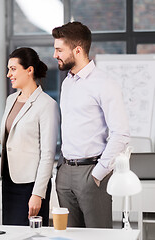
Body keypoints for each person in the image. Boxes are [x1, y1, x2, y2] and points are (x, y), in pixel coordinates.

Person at [0, 47, 59, 226]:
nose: (8, 74)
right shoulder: (11, 100)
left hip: (30, 185)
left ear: (29, 70)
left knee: (31, 235)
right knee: (11, 232)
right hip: (9, 180)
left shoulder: (47, 105)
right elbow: (10, 141)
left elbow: (48, 155)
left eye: (13, 69)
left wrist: (37, 194)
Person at [52, 21, 130, 228]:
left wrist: (98, 174)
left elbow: (120, 134)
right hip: (65, 171)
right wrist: (60, 171)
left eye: (59, 50)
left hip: (92, 172)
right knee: (69, 235)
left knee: (98, 235)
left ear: (77, 50)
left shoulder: (105, 84)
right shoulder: (67, 82)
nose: (55, 55)